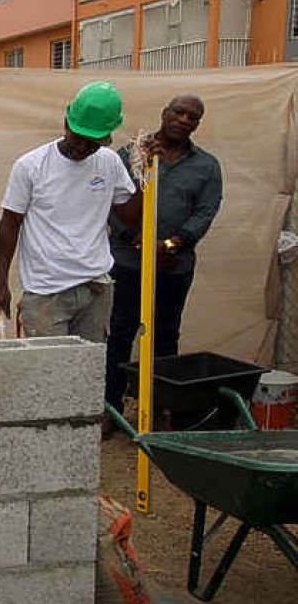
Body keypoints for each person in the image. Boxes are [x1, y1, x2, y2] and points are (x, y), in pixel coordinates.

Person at [103, 95, 221, 436]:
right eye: (178, 112)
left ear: (197, 124)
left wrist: (173, 243)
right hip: (126, 261)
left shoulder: (206, 166)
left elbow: (206, 210)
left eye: (193, 116)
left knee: (165, 336)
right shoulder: (130, 154)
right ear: (164, 114)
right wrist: (135, 240)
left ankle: (156, 410)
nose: (184, 119)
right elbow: (112, 200)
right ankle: (111, 409)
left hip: (174, 266)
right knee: (121, 334)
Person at [0, 81, 142, 343]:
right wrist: (1, 283)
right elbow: (10, 223)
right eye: (78, 138)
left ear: (107, 138)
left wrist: (143, 179)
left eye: (92, 143)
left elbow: (128, 216)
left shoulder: (109, 162)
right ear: (66, 123)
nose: (82, 148)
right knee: (48, 376)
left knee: (88, 373)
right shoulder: (31, 166)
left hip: (96, 287)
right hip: (47, 291)